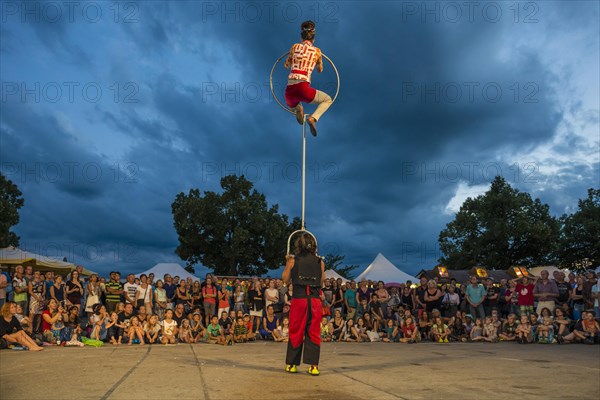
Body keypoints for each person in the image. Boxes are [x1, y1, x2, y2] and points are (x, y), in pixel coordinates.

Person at [282, 232, 325, 376]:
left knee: (296, 330)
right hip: (314, 301)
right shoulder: (320, 262)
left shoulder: (293, 260)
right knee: (313, 332)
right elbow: (321, 282)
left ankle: (292, 365)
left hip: (299, 300)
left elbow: (285, 280)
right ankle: (314, 366)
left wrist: (288, 263)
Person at [283, 20, 333, 136]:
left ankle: (297, 109)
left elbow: (286, 65)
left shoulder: (294, 47)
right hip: (303, 88)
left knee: (292, 104)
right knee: (327, 100)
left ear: (301, 38)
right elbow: (320, 70)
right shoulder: (317, 51)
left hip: (289, 92)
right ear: (313, 39)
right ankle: (313, 119)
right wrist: (317, 61)